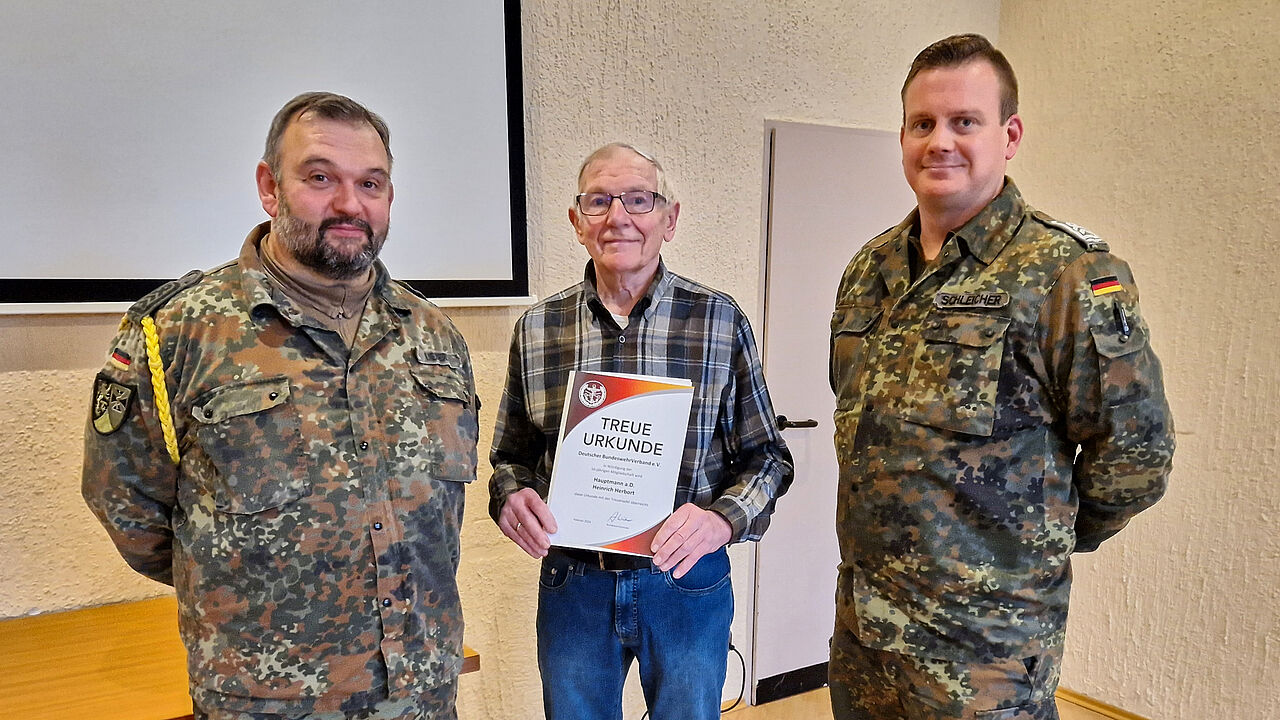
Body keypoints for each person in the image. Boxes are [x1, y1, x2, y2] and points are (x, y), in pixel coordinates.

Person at [82, 92, 478, 720]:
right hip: (265, 699)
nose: (350, 204)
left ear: (389, 198)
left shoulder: (434, 337)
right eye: (321, 178)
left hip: (422, 690)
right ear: (270, 187)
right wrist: (246, 593)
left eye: (370, 183)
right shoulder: (179, 331)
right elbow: (128, 505)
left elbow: (438, 521)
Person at [827, 34, 1175, 720]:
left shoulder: (1067, 273)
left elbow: (1136, 458)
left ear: (1009, 135)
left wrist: (1035, 542)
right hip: (866, 636)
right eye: (922, 124)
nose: (940, 142)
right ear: (902, 137)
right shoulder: (870, 271)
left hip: (984, 653)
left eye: (965, 121)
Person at [489, 143, 794, 720]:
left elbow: (768, 459)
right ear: (577, 222)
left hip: (684, 580)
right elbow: (511, 457)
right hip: (574, 584)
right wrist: (510, 497)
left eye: (639, 199)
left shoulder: (718, 321)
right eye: (599, 201)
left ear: (669, 219)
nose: (619, 216)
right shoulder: (536, 329)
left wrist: (719, 520)